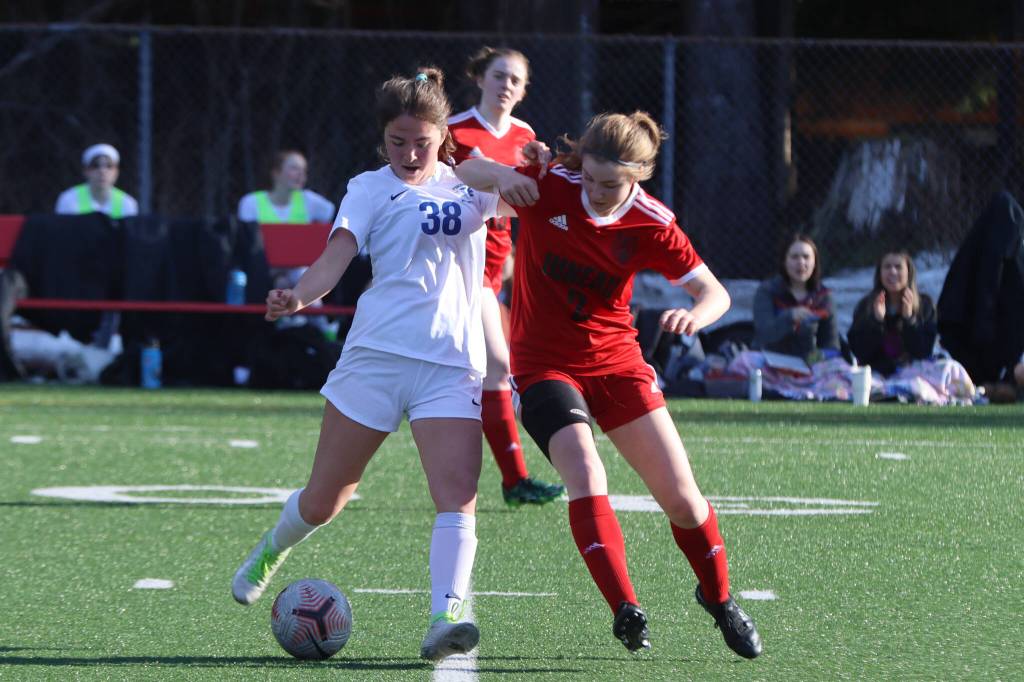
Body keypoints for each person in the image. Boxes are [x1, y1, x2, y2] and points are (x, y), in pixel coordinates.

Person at [454, 111, 762, 658]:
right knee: (585, 470)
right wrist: (504, 177)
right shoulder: (551, 185)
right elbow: (463, 170)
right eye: (591, 178)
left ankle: (718, 600)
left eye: (611, 184)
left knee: (684, 501)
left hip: (617, 364)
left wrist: (697, 316)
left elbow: (716, 294)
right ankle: (625, 607)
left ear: (639, 174)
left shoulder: (651, 221)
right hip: (545, 365)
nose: (596, 192)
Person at [231, 68, 499, 662]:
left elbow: (535, 193)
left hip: (451, 365)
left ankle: (444, 615)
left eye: (421, 143)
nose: (408, 153)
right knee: (325, 500)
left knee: (457, 495)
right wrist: (298, 296)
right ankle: (272, 547)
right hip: (375, 359)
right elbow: (336, 256)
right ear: (383, 141)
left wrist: (529, 164)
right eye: (397, 142)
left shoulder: (475, 185)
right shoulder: (369, 188)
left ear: (442, 139)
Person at [448, 46, 564, 507]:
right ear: (480, 78)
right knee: (496, 367)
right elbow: (454, 185)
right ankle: (513, 479)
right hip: (460, 266)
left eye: (516, 79)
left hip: (495, 267)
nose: (507, 85)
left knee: (487, 372)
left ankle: (511, 479)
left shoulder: (524, 133)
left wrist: (541, 162)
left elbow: (528, 199)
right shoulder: (455, 129)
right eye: (499, 76)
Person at [237, 150, 337, 291]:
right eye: (294, 168)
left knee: (307, 283)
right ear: (276, 173)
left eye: (304, 170)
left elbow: (339, 218)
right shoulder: (251, 202)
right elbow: (247, 246)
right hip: (263, 272)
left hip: (299, 270)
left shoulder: (309, 200)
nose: (301, 174)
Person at [847, 252, 937, 376]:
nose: (892, 272)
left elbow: (923, 352)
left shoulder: (925, 304)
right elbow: (860, 353)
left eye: (898, 267)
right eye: (887, 267)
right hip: (878, 374)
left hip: (916, 373)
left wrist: (909, 319)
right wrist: (877, 321)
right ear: (880, 273)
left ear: (908, 273)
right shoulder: (866, 306)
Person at [752, 234, 839, 363]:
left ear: (814, 262)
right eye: (794, 257)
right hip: (769, 362)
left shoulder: (824, 297)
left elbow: (831, 345)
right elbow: (765, 334)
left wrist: (815, 359)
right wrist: (790, 316)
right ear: (784, 261)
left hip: (808, 365)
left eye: (806, 257)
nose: (801, 262)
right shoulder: (767, 291)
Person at [54, 143, 139, 218]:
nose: (102, 171)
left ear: (116, 172)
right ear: (85, 171)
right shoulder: (68, 200)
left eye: (109, 166)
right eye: (95, 166)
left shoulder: (127, 204)